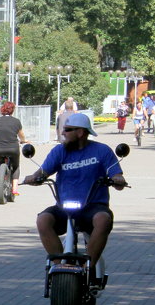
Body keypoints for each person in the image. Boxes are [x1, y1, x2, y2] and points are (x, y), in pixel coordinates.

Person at [23, 112, 128, 273]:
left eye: (68, 130)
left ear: (80, 132)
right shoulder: (59, 151)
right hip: (64, 206)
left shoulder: (102, 151)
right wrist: (33, 178)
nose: (63, 133)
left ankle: (88, 268)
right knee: (43, 220)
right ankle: (60, 266)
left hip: (93, 206)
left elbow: (117, 176)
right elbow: (41, 173)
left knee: (103, 220)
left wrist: (117, 180)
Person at [0, 101, 27, 192]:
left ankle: (0, 173)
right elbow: (21, 135)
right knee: (15, 166)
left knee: (0, 159)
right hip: (13, 148)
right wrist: (23, 140)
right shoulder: (16, 121)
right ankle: (15, 189)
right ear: (12, 110)